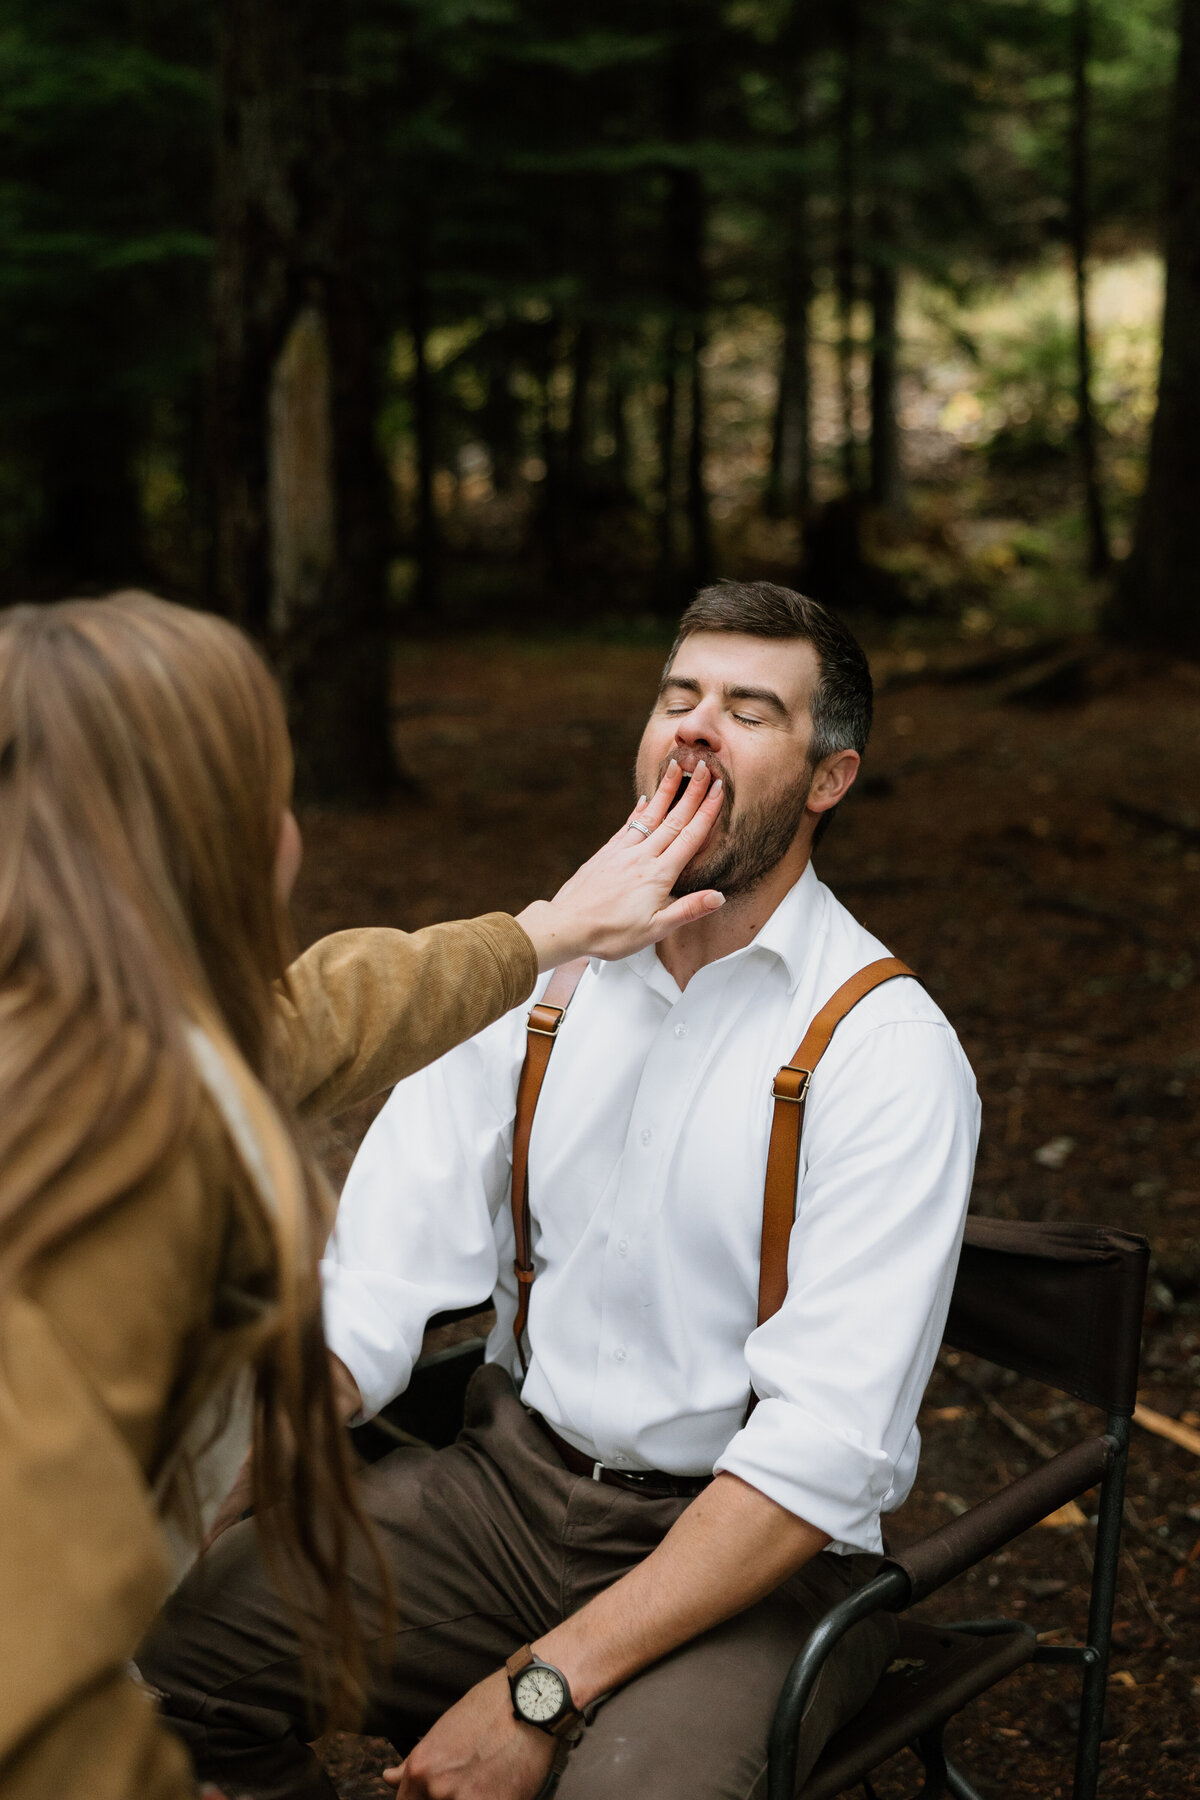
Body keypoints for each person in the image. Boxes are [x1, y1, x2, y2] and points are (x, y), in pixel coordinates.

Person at [141, 581, 981, 1800]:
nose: (695, 726)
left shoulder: (884, 1051)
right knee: (177, 1661)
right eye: (677, 697)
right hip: (508, 1495)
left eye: (750, 710)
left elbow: (811, 1465)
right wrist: (232, 1487)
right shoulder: (539, 988)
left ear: (828, 780)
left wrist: (539, 1688)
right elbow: (370, 1288)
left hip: (755, 1560)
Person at [0, 592, 728, 1800]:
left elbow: (324, 1010)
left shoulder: (109, 1027)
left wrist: (541, 932)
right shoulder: (104, 1151)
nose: (289, 826)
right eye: (266, 787)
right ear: (196, 832)